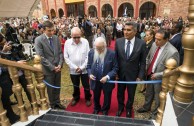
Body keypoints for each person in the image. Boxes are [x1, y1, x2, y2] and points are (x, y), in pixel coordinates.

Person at [137, 29, 179, 119]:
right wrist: (146, 67)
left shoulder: (173, 52)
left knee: (158, 96)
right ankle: (146, 107)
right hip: (150, 74)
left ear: (166, 39)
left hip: (161, 79)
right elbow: (148, 57)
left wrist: (158, 74)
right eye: (155, 38)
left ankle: (155, 113)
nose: (156, 41)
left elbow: (174, 70)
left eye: (159, 39)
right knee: (149, 92)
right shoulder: (154, 44)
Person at [115, 22, 146, 118]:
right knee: (120, 93)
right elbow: (115, 59)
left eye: (129, 30)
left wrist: (140, 76)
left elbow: (143, 62)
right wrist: (115, 73)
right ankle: (120, 107)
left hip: (133, 75)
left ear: (135, 31)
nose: (126, 32)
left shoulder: (141, 43)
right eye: (124, 29)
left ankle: (129, 108)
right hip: (120, 74)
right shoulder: (118, 42)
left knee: (131, 94)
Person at [34, 20, 65, 109]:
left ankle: (57, 102)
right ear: (43, 30)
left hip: (58, 68)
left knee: (57, 86)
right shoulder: (38, 40)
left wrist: (59, 64)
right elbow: (41, 57)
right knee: (50, 89)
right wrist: (52, 67)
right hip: (48, 70)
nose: (51, 32)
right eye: (49, 30)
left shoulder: (55, 38)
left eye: (52, 30)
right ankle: (52, 105)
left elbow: (60, 53)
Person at [87, 37, 118, 115]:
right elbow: (88, 66)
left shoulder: (112, 54)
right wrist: (90, 74)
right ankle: (96, 108)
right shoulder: (91, 52)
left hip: (107, 80)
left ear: (105, 46)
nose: (99, 50)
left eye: (101, 48)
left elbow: (115, 68)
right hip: (95, 79)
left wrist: (107, 76)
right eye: (97, 48)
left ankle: (105, 109)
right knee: (96, 95)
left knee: (107, 96)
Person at [64, 27, 92, 106]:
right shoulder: (67, 43)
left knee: (86, 85)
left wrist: (82, 67)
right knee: (75, 85)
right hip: (73, 70)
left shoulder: (85, 42)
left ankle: (88, 98)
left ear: (81, 35)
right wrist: (75, 68)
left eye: (78, 37)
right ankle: (76, 98)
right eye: (74, 37)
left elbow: (88, 56)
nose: (76, 39)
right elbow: (66, 57)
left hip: (84, 69)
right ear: (71, 35)